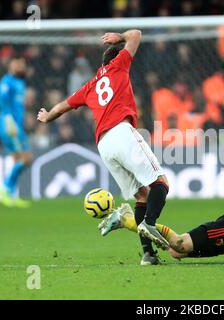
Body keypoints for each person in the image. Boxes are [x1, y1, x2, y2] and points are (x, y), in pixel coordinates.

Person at [37, 30, 170, 266]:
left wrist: (48, 117)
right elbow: (136, 35)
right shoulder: (118, 66)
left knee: (142, 195)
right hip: (121, 132)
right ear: (117, 57)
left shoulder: (90, 86)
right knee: (160, 183)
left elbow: (61, 107)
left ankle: (148, 254)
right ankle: (149, 223)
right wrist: (120, 37)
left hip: (104, 145)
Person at [0, 56, 33, 208]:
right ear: (11, 65)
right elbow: (3, 102)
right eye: (18, 64)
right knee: (26, 158)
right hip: (9, 125)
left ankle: (11, 194)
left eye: (23, 64)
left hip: (16, 124)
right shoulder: (6, 81)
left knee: (17, 159)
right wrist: (10, 122)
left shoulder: (20, 82)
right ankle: (4, 188)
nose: (21, 67)